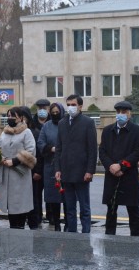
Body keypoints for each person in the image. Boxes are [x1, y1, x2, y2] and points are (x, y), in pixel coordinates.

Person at [99, 101, 139, 236]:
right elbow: (102, 151)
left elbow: (138, 152)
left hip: (128, 175)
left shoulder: (138, 130)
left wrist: (121, 165)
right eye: (118, 112)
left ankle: (136, 239)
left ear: (129, 114)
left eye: (124, 112)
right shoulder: (108, 130)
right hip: (111, 174)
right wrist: (110, 166)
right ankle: (109, 238)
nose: (120, 115)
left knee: (133, 210)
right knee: (111, 209)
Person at [54, 94, 97, 233]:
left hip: (82, 172)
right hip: (66, 172)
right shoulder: (62, 123)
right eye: (68, 104)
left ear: (80, 106)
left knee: (84, 207)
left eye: (73, 104)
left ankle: (85, 234)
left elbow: (92, 149)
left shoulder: (88, 122)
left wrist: (90, 170)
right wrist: (57, 169)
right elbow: (59, 148)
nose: (70, 107)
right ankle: (72, 235)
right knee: (70, 208)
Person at [0, 106, 37, 229]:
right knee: (10, 205)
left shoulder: (27, 132)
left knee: (20, 204)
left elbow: (31, 151)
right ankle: (13, 229)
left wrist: (15, 161)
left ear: (20, 118)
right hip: (6, 172)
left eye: (12, 115)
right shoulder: (4, 132)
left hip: (20, 174)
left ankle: (19, 228)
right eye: (8, 115)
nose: (10, 118)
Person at [38, 102, 67, 231]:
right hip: (50, 165)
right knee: (53, 196)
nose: (55, 114)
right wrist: (52, 148)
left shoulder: (67, 125)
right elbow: (40, 143)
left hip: (66, 165)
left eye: (57, 112)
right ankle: (55, 223)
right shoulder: (46, 126)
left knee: (67, 196)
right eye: (53, 112)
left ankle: (68, 222)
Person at [21, 106, 41, 229]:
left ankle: (35, 221)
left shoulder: (35, 132)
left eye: (23, 117)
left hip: (32, 170)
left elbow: (38, 154)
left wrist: (38, 170)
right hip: (19, 171)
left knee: (34, 198)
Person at [31, 98, 51, 223]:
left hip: (50, 164)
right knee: (36, 194)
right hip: (36, 165)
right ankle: (37, 217)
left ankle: (51, 217)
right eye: (40, 108)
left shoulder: (54, 123)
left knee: (50, 194)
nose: (42, 110)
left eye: (44, 108)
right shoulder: (32, 125)